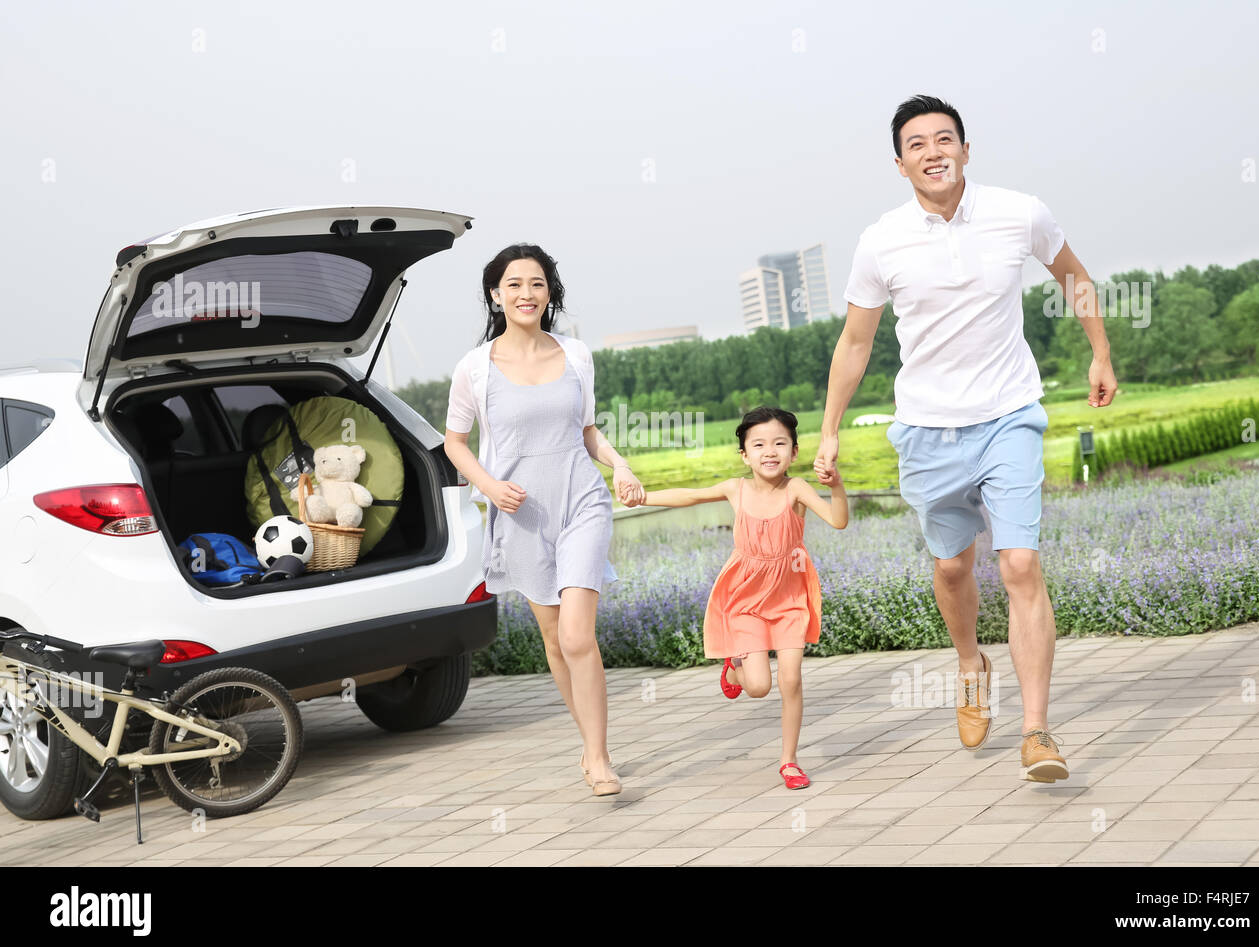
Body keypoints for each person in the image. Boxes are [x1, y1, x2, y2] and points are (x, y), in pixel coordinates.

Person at [814, 94, 1117, 783]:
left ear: (966, 150)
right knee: (953, 568)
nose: (933, 151)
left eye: (945, 138)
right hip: (926, 430)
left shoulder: (1020, 212)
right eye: (917, 144)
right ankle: (971, 662)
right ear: (900, 164)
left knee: (1018, 566)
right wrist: (829, 431)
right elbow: (856, 342)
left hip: (1010, 414)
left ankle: (1037, 730)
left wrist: (1100, 352)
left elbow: (1074, 276)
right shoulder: (881, 240)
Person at [443, 243, 640, 797]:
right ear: (495, 294)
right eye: (514, 284)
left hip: (581, 501)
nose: (526, 293)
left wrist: (620, 467)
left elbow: (587, 430)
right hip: (521, 514)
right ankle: (588, 742)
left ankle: (599, 758)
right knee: (554, 642)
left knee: (578, 636)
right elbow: (454, 443)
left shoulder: (575, 354)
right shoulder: (475, 368)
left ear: (549, 291)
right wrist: (487, 487)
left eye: (536, 283)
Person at [622, 407, 848, 789]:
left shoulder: (796, 490)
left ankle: (789, 761)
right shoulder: (735, 489)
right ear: (744, 454)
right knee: (759, 687)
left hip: (789, 598)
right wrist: (643, 497)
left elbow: (839, 520)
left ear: (794, 452)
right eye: (758, 444)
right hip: (745, 601)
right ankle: (735, 664)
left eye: (780, 443)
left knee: (790, 679)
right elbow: (690, 497)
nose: (770, 451)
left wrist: (837, 486)